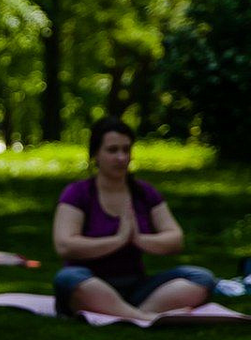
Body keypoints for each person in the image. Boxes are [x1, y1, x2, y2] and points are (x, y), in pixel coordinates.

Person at [51, 117, 215, 320]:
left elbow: (175, 240)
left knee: (201, 277)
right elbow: (65, 245)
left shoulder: (144, 193)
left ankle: (132, 313)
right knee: (67, 278)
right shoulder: (78, 193)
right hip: (90, 283)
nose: (121, 157)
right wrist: (117, 240)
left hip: (136, 286)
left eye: (126, 150)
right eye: (112, 150)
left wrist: (137, 239)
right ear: (96, 154)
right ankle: (143, 317)